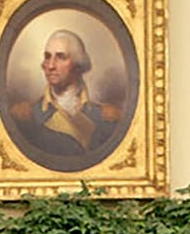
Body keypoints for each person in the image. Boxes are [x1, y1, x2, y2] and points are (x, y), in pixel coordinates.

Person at [9, 29, 122, 157]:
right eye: (47, 57)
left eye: (61, 57)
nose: (50, 65)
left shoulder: (108, 117)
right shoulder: (25, 117)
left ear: (78, 64)